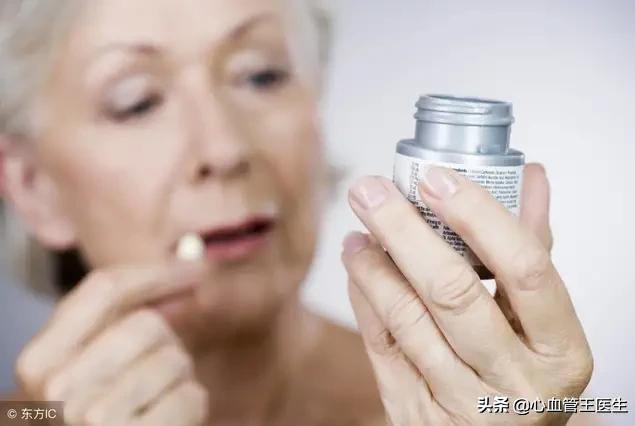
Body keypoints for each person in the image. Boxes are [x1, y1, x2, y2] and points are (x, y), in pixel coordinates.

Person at [0, 0, 593, 424]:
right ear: (32, 186)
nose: (225, 149)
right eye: (137, 102)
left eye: (260, 76)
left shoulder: (506, 406)